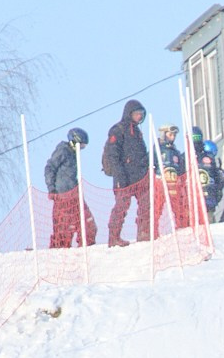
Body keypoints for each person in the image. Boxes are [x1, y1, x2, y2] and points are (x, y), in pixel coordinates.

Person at [101, 99, 154, 245]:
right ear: (129, 113)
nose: (139, 117)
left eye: (142, 114)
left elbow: (140, 155)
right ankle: (114, 237)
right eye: (137, 114)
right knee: (122, 206)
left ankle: (144, 234)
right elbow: (113, 155)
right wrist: (119, 176)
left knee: (146, 204)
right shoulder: (118, 130)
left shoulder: (137, 132)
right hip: (123, 177)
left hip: (140, 177)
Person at [42, 126, 96, 247]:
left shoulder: (73, 154)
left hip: (74, 195)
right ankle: (58, 253)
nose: (82, 148)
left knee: (88, 225)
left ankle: (86, 249)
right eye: (81, 145)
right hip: (62, 196)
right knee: (63, 229)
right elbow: (49, 168)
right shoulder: (63, 151)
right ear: (75, 141)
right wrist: (51, 189)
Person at [154, 123, 194, 230]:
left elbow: (181, 170)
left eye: (174, 135)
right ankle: (152, 231)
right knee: (156, 209)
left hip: (174, 185)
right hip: (160, 184)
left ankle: (183, 227)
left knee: (180, 208)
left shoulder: (176, 152)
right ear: (164, 134)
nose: (173, 137)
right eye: (170, 134)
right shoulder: (157, 149)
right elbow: (150, 166)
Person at [199, 140, 224, 220]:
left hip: (210, 198)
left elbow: (218, 181)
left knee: (209, 217)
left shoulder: (213, 165)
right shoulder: (203, 163)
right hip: (206, 197)